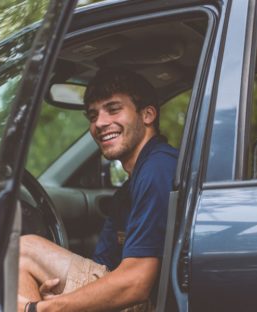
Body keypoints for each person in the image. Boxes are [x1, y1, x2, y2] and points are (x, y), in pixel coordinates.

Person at [17, 68, 178, 312]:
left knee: (23, 250)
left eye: (113, 109)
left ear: (147, 115)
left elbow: (136, 283)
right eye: (93, 116)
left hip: (152, 304)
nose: (100, 123)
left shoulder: (158, 168)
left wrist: (44, 308)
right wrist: (57, 298)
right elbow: (102, 267)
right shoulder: (127, 190)